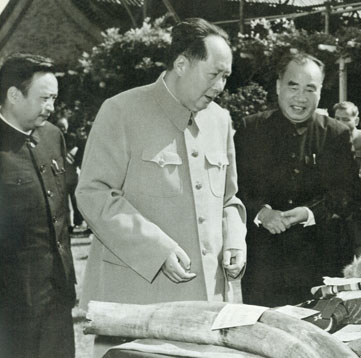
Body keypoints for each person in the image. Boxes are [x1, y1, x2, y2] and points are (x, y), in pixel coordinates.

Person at [76, 19, 246, 313]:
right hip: (136, 299)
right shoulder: (120, 111)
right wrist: (156, 249)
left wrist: (234, 239)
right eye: (213, 74)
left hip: (208, 300)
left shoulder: (220, 120)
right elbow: (93, 194)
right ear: (181, 64)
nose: (220, 86)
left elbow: (228, 199)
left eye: (225, 77)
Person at [235, 52, 361, 307]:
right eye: (293, 87)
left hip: (319, 266)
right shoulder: (251, 129)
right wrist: (261, 213)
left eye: (310, 89)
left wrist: (309, 213)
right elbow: (232, 190)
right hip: (263, 269)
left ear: (320, 93)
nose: (301, 97)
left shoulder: (336, 134)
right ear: (278, 86)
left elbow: (349, 193)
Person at [0, 53, 75, 357]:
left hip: (58, 296)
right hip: (11, 307)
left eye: (54, 98)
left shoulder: (53, 136)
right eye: (44, 98)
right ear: (14, 95)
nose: (51, 107)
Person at [333, 101, 361, 166]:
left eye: (345, 119)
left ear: (356, 121)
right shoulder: (330, 140)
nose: (340, 123)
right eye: (337, 119)